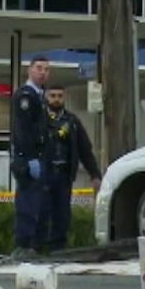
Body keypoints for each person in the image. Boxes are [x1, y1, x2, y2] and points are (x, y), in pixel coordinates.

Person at [37, 84, 103, 252]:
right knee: (42, 212)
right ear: (46, 97)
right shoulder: (39, 120)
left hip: (64, 176)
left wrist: (94, 174)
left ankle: (58, 249)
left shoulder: (72, 122)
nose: (56, 99)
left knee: (62, 214)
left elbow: (85, 150)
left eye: (60, 96)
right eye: (53, 95)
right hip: (43, 175)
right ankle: (38, 249)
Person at [10, 56, 50, 260]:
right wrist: (29, 158)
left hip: (38, 158)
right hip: (27, 159)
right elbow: (24, 131)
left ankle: (34, 245)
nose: (43, 72)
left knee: (39, 205)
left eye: (46, 69)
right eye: (39, 68)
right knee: (27, 204)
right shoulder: (26, 96)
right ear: (30, 70)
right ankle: (23, 245)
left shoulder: (40, 96)